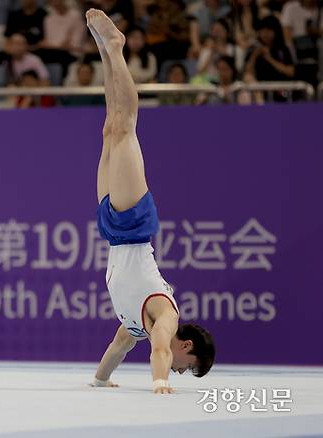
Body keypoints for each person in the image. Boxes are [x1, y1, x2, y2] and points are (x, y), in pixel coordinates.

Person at [84, 8, 215, 393]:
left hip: (112, 229)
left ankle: (106, 53)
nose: (179, 370)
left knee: (111, 127)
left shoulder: (136, 326)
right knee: (125, 127)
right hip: (134, 226)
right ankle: (116, 48)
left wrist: (99, 380)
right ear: (186, 346)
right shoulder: (166, 318)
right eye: (186, 367)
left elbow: (116, 349)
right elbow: (160, 350)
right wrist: (160, 383)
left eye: (180, 373)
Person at [34, 0, 85, 76]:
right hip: (53, 52)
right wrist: (60, 45)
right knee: (38, 55)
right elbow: (49, 42)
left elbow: (76, 45)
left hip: (71, 54)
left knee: (60, 55)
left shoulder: (75, 16)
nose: (55, 2)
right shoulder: (48, 19)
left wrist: (58, 45)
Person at [244, 16, 295, 83]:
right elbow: (247, 73)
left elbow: (290, 72)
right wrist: (254, 55)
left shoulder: (283, 49)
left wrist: (269, 58)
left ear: (276, 31)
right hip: (260, 88)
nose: (265, 33)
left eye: (268, 30)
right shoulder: (253, 48)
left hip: (280, 86)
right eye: (262, 30)